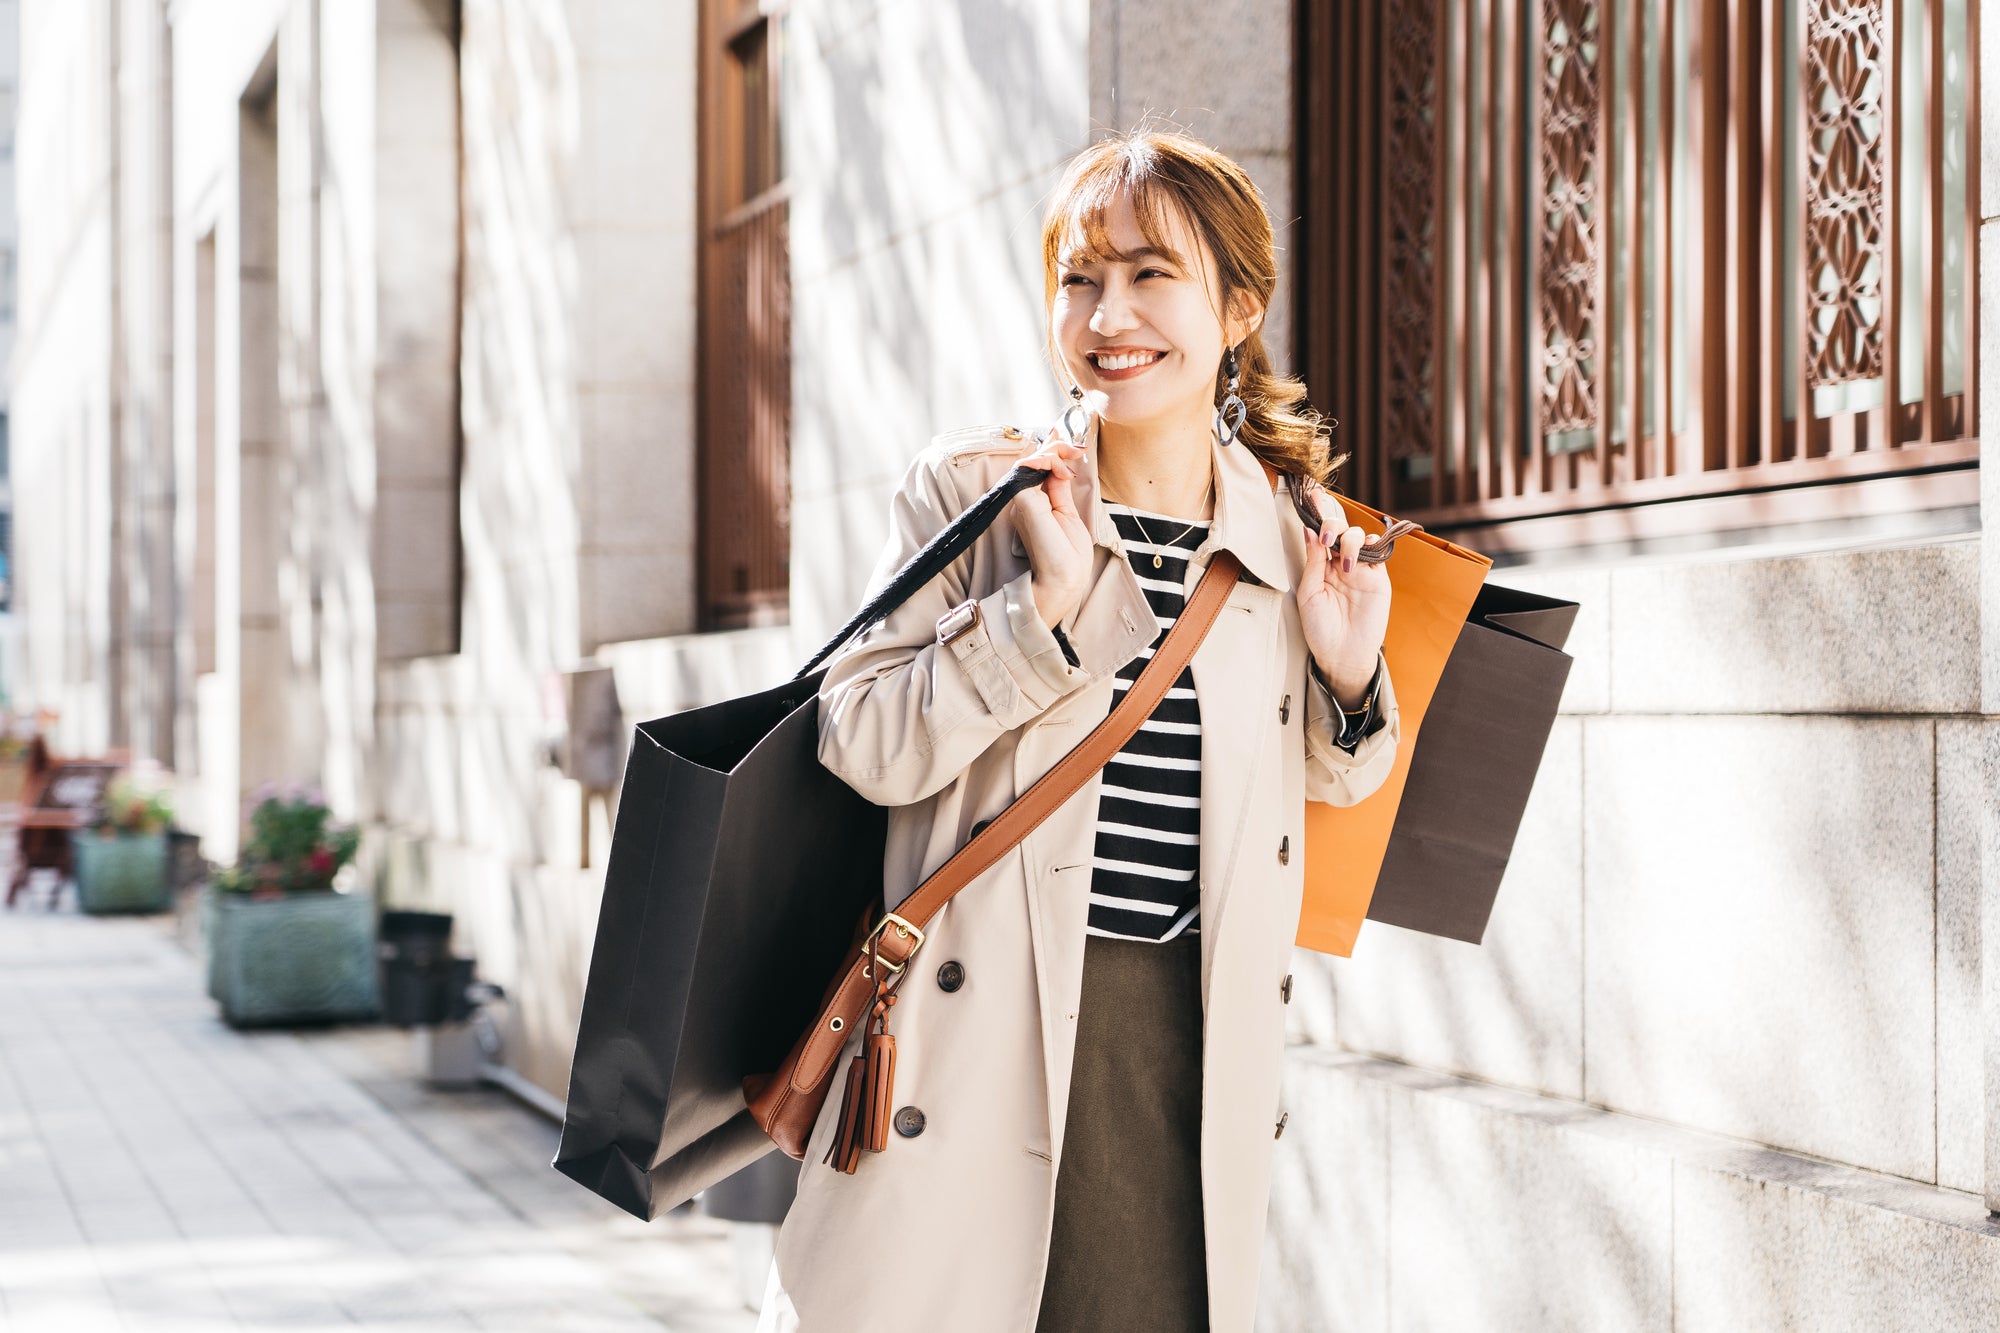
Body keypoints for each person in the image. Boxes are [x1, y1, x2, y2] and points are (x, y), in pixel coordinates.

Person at [758, 129, 1400, 1333]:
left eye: (1152, 273)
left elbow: (1324, 790)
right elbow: (860, 738)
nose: (1109, 313)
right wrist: (1033, 618)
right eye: (1079, 276)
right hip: (972, 1032)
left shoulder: (1287, 534)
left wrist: (1349, 671)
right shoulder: (978, 496)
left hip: (1178, 1043)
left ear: (1238, 306)